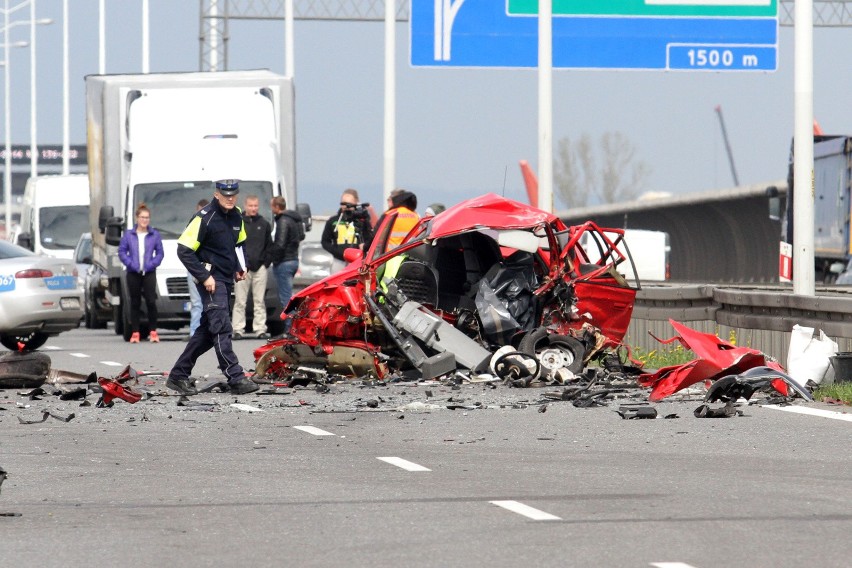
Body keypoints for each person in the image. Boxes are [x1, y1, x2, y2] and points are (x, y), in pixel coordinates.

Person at [165, 179, 258, 396]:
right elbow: (183, 250)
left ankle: (178, 376)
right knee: (222, 327)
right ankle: (235, 377)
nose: (230, 198)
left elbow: (239, 244)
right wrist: (204, 276)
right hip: (211, 280)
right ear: (217, 194)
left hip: (226, 278)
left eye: (233, 194)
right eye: (225, 195)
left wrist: (240, 266)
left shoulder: (236, 215)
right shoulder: (204, 218)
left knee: (207, 332)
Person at [118, 203, 164, 343]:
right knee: (135, 301)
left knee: (151, 300)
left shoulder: (154, 234)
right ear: (137, 218)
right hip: (133, 272)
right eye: (142, 217)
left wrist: (152, 264)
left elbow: (160, 253)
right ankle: (135, 332)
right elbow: (122, 251)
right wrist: (131, 264)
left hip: (149, 271)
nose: (145, 220)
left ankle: (153, 331)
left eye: (147, 217)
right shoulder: (129, 235)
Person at [232, 194, 272, 339]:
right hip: (242, 267)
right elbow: (233, 244)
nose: (253, 208)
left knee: (259, 301)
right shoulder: (238, 223)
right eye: (251, 206)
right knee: (240, 300)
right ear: (245, 206)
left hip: (260, 267)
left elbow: (269, 246)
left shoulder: (264, 224)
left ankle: (260, 328)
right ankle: (238, 329)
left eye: (255, 206)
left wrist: (265, 263)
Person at [265, 195, 304, 334]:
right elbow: (301, 236)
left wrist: (272, 258)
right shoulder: (294, 219)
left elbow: (280, 244)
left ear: (276, 207)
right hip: (293, 259)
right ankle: (292, 327)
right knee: (287, 295)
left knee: (285, 298)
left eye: (272, 206)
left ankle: (290, 329)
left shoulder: (283, 221)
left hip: (284, 262)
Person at [321, 188, 374, 272]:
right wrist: (338, 253)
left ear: (356, 203)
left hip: (357, 261)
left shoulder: (362, 221)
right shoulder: (333, 221)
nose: (346, 207)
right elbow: (325, 241)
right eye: (343, 203)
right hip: (339, 261)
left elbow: (369, 238)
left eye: (349, 204)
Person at [187, 199, 209, 337]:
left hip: (210, 268)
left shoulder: (214, 226)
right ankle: (195, 332)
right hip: (195, 267)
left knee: (212, 303)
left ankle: (210, 332)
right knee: (196, 303)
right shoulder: (192, 226)